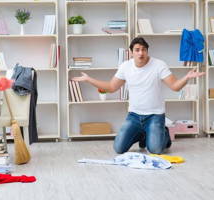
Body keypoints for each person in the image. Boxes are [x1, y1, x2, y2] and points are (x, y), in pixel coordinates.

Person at [72, 37, 205, 154]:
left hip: (155, 115)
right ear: (131, 52)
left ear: (147, 51)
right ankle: (143, 135)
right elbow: (111, 87)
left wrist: (187, 77)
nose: (141, 53)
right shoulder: (125, 66)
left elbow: (175, 86)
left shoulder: (159, 65)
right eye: (137, 50)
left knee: (155, 150)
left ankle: (163, 133)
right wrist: (89, 79)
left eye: (143, 49)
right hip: (134, 116)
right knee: (119, 148)